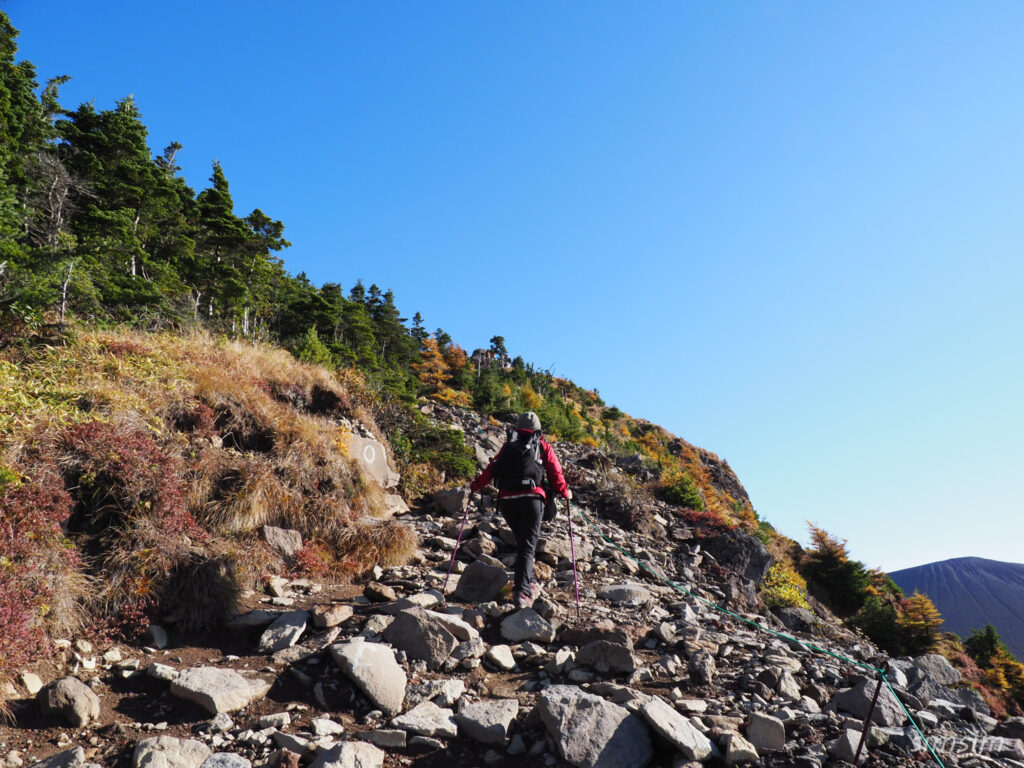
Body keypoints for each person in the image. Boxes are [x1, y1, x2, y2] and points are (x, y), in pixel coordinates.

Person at [470, 411, 572, 609]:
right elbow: (555, 474)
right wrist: (565, 492)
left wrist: (475, 486)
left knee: (523, 544)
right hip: (532, 501)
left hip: (507, 502)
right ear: (537, 430)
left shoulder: (509, 446)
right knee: (527, 547)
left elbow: (491, 469)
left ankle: (530, 582)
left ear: (518, 427)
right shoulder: (542, 446)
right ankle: (522, 593)